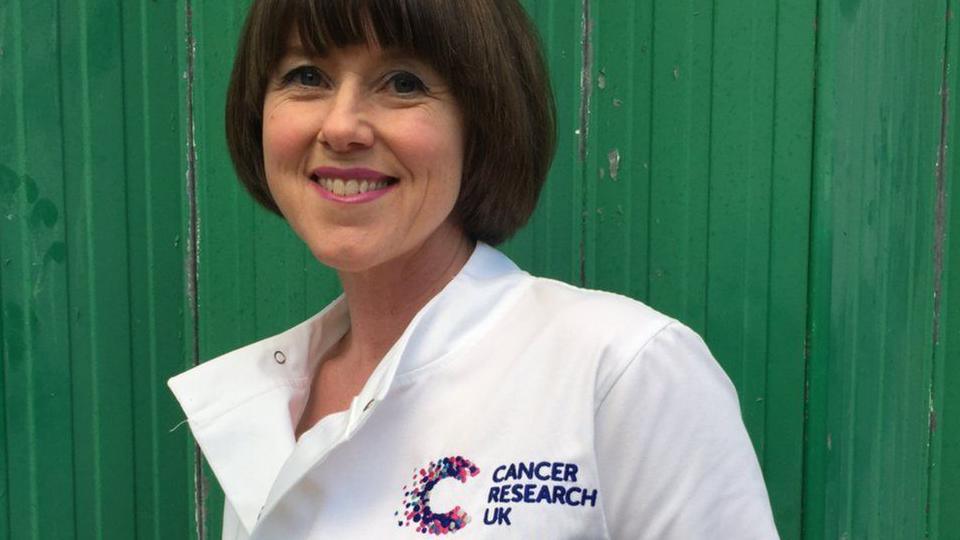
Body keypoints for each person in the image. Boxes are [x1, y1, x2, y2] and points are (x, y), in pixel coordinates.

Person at [168, 0, 779, 538]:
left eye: (403, 82)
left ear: (481, 122)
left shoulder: (621, 370)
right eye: (307, 77)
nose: (341, 126)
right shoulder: (271, 409)